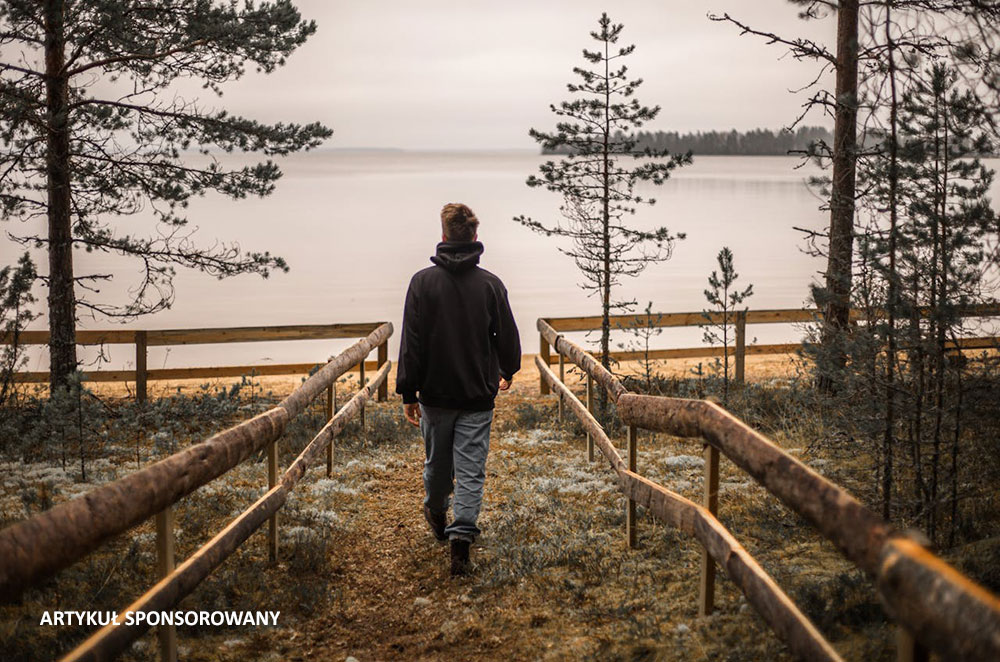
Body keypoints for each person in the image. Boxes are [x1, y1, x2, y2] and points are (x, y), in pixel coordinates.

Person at [396, 202, 521, 577]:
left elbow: (411, 341)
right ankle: (460, 541)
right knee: (470, 471)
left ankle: (437, 510)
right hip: (476, 397)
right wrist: (507, 368)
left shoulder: (421, 283)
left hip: (434, 396)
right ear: (475, 237)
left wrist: (408, 392)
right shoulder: (490, 285)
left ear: (444, 236)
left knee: (438, 465)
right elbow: (507, 336)